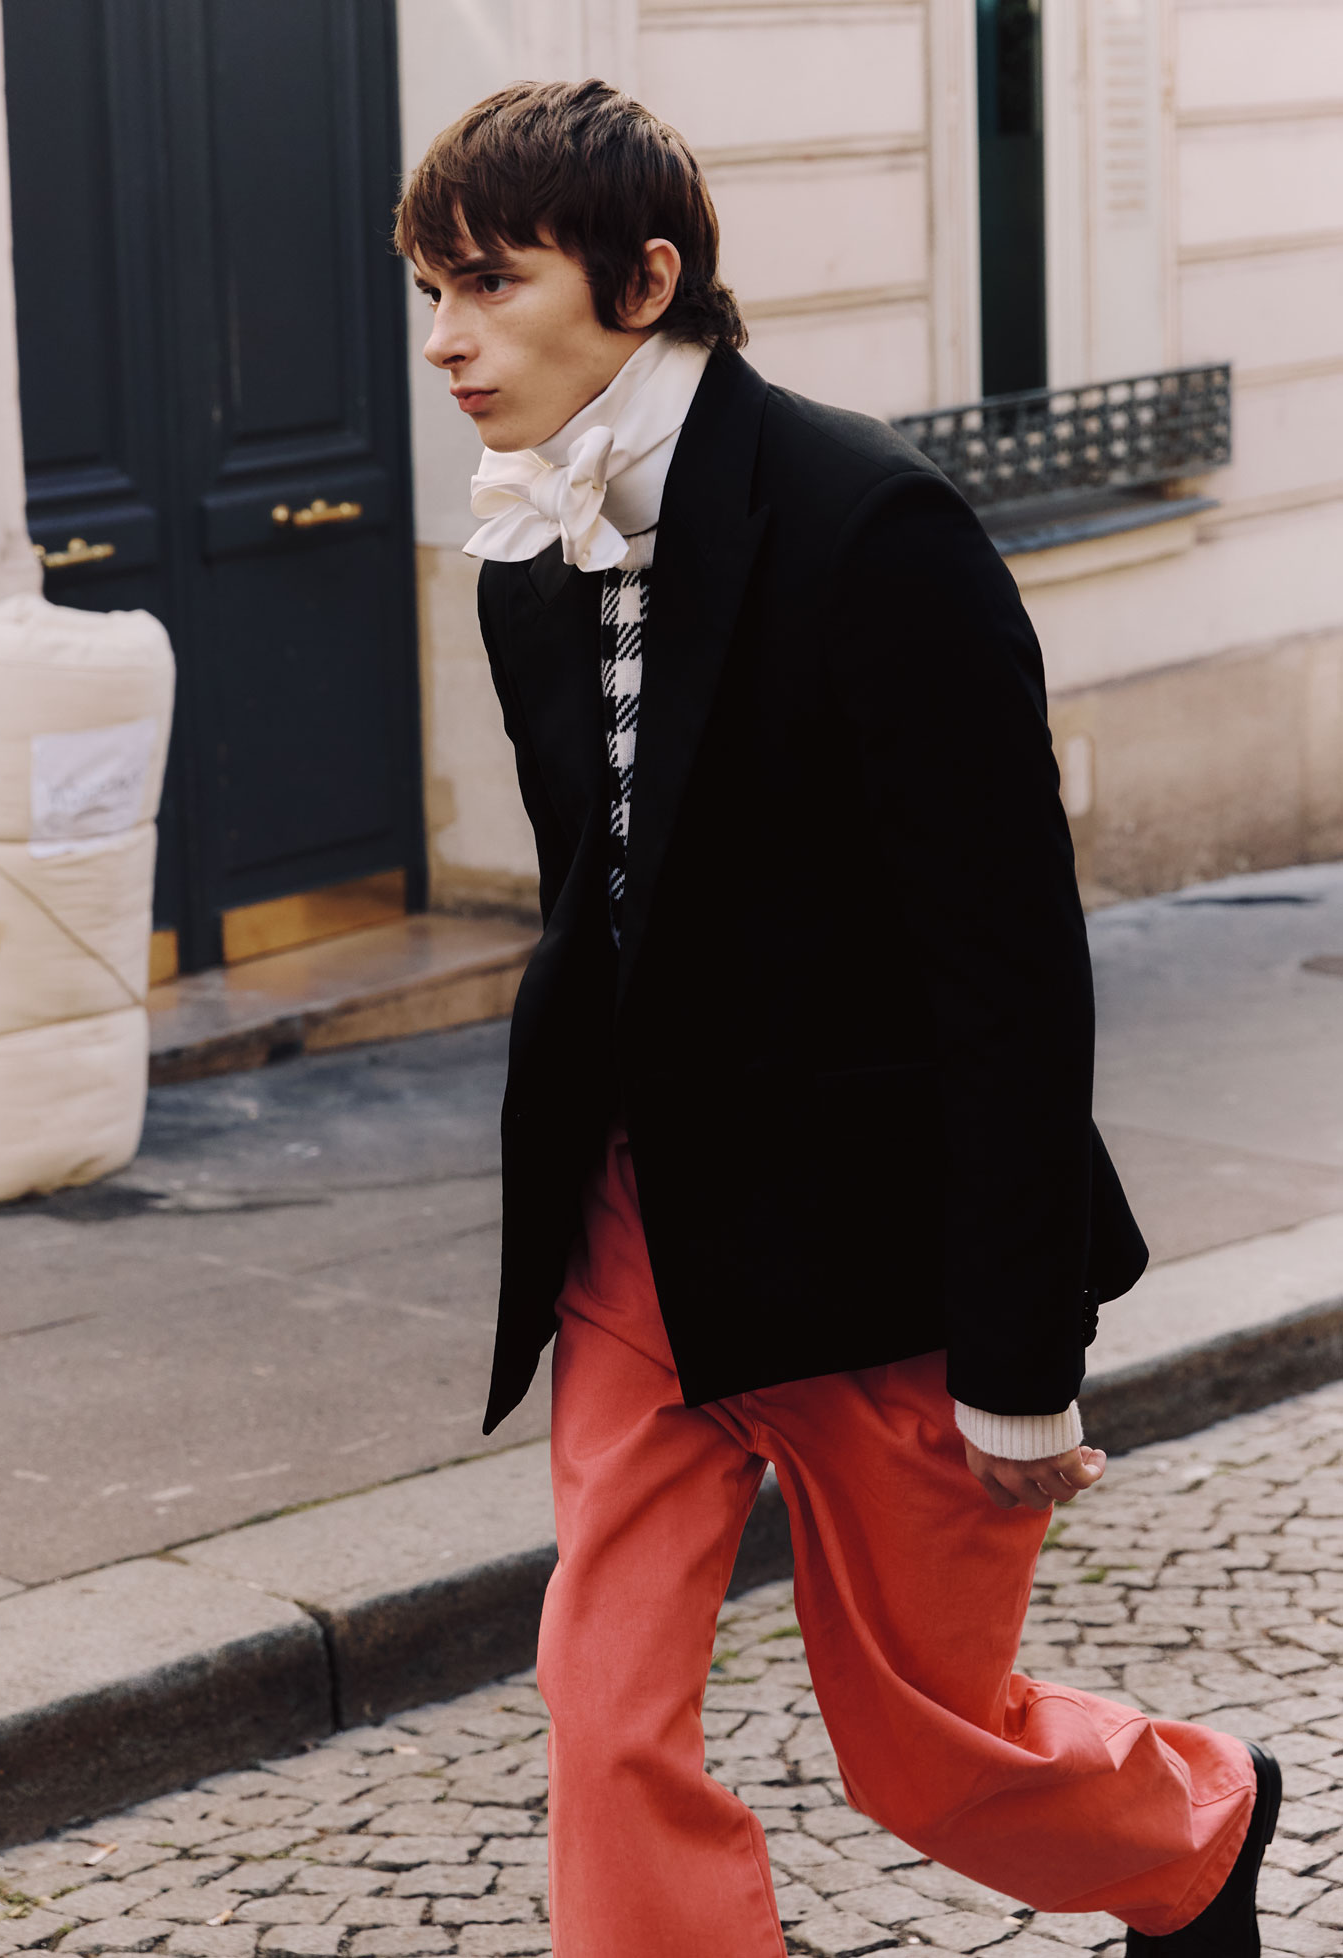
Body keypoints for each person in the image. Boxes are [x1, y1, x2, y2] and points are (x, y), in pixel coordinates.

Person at [395, 78, 1280, 1958]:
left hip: (872, 1242)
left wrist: (1018, 1348)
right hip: (634, 1235)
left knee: (925, 1742)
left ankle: (1190, 1829)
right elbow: (596, 902)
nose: (445, 341)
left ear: (644, 281)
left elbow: (1006, 962)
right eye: (428, 291)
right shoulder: (528, 545)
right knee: (603, 1713)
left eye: (487, 284)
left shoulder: (872, 523)